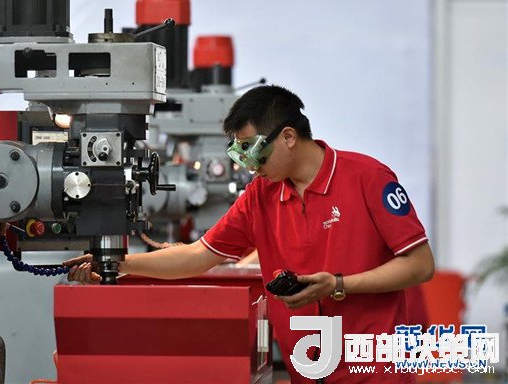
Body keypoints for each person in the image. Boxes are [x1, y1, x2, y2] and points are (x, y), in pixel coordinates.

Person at [64, 85, 435, 383]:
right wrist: (119, 263)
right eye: (242, 155)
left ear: (288, 136)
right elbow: (198, 255)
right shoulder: (262, 195)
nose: (251, 167)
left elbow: (420, 265)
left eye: (255, 152)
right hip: (309, 372)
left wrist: (338, 285)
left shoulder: (367, 178)